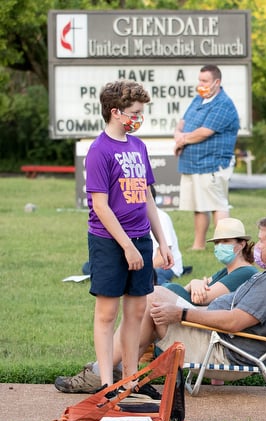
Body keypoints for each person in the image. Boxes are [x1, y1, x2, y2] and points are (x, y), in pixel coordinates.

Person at [55, 216, 266, 394]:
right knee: (155, 294)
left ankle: (104, 372)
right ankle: (114, 370)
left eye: (261, 242)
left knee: (151, 303)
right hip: (221, 339)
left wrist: (181, 314)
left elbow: (235, 321)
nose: (256, 247)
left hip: (224, 350)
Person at [84, 79, 173, 393]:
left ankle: (131, 379)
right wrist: (126, 247)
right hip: (109, 242)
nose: (139, 117)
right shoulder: (99, 150)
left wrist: (161, 240)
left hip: (140, 239)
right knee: (108, 314)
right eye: (134, 112)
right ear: (115, 112)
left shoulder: (138, 146)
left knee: (136, 312)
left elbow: (146, 195)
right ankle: (107, 384)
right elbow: (100, 205)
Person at [174, 64, 240, 250]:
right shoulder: (198, 100)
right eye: (199, 80)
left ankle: (224, 246)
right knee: (199, 206)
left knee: (217, 204)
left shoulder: (223, 104)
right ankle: (198, 245)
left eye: (205, 81)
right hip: (193, 163)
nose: (200, 84)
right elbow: (182, 122)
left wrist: (182, 140)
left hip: (213, 163)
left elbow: (204, 132)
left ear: (216, 82)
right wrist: (178, 134)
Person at [163, 217, 258, 306]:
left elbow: (199, 298)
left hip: (206, 319)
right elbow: (187, 290)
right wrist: (194, 283)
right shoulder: (226, 271)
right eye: (217, 242)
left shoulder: (245, 272)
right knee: (164, 290)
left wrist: (193, 283)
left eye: (225, 241)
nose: (220, 246)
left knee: (167, 290)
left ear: (241, 245)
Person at [149, 185, 185, 285]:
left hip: (164, 266)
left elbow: (162, 259)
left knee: (152, 278)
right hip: (146, 265)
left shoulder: (161, 218)